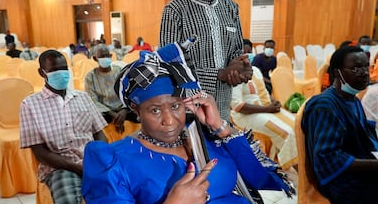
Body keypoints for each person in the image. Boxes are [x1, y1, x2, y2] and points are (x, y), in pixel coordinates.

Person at [82, 43, 295, 204]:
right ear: (136, 110)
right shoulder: (114, 162)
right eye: (155, 110)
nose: (169, 120)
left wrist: (220, 127)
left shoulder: (204, 136)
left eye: (175, 106)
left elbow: (260, 179)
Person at [19, 50, 108, 204]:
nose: (61, 74)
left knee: (123, 191)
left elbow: (99, 133)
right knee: (68, 200)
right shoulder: (30, 105)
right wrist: (78, 168)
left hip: (91, 161)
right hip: (60, 167)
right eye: (54, 70)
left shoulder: (83, 97)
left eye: (63, 68)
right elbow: (40, 153)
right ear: (42, 73)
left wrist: (99, 159)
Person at [160, 0, 253, 121]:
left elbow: (236, 51)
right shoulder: (174, 10)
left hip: (223, 108)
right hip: (189, 109)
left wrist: (240, 69)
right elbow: (169, 65)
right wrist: (218, 75)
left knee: (221, 139)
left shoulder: (230, 7)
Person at [301, 46, 378, 204]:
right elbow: (327, 158)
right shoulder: (325, 106)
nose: (364, 72)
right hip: (339, 182)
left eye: (366, 66)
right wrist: (374, 164)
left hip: (357, 171)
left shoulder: (353, 99)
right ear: (337, 73)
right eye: (356, 68)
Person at [231, 66, 297, 169]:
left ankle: (297, 161)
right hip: (246, 115)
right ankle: (299, 172)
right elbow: (238, 106)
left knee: (297, 124)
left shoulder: (256, 70)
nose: (247, 59)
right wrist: (267, 109)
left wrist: (273, 102)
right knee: (286, 132)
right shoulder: (234, 74)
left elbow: (264, 92)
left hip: (266, 109)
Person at [85, 44, 137, 133]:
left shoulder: (120, 71)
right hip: (105, 112)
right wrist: (113, 114)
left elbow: (130, 92)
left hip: (124, 109)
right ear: (95, 59)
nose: (105, 58)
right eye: (101, 56)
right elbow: (92, 100)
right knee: (93, 121)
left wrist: (124, 110)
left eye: (107, 55)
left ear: (111, 56)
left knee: (141, 113)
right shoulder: (90, 77)